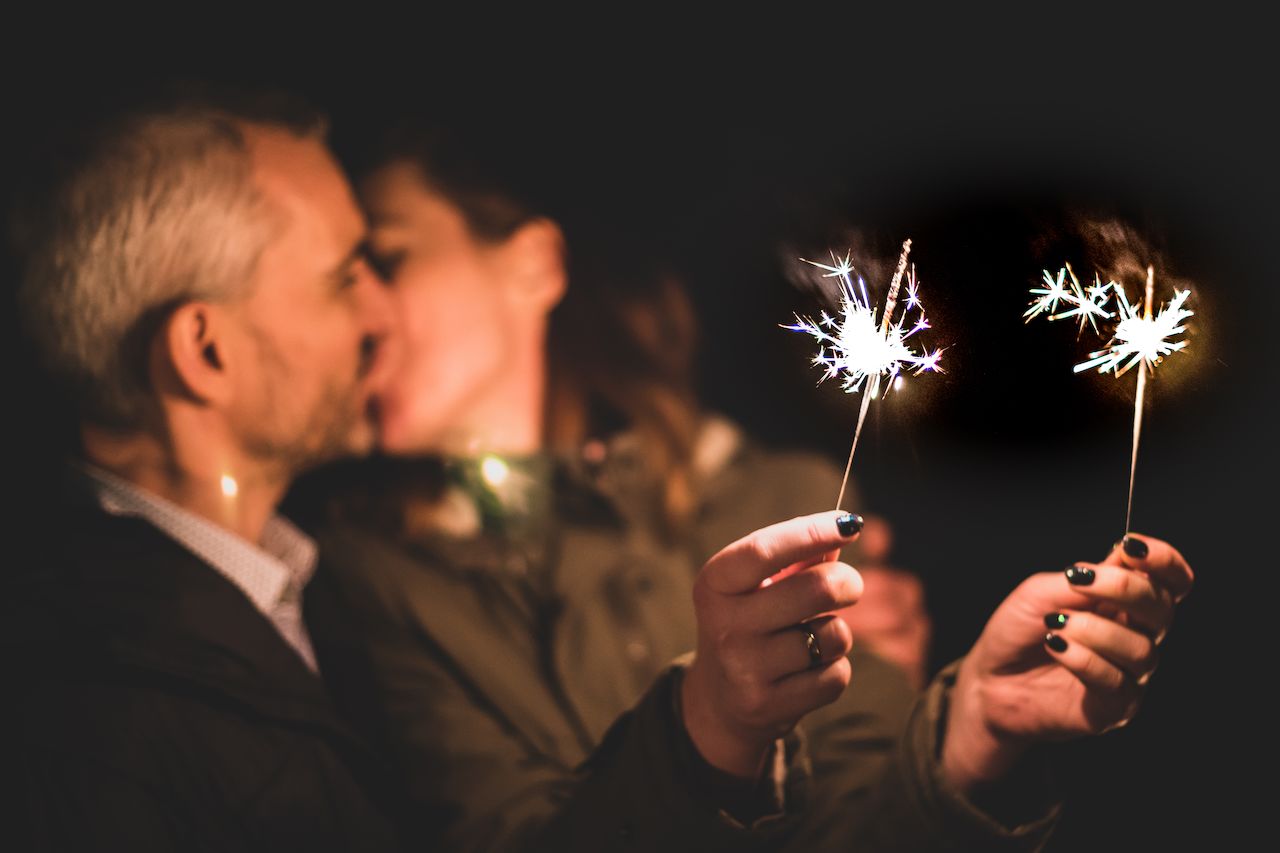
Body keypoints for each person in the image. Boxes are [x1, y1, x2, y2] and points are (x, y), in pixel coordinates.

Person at [290, 121, 1193, 852]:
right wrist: (707, 729)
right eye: (341, 275)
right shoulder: (358, 577)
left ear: (534, 264)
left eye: (391, 257)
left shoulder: (779, 495)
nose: (361, 307)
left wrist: (974, 737)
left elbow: (859, 829)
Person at [6, 83, 407, 850]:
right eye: (345, 277)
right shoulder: (86, 732)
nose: (384, 316)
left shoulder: (311, 587)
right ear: (206, 352)